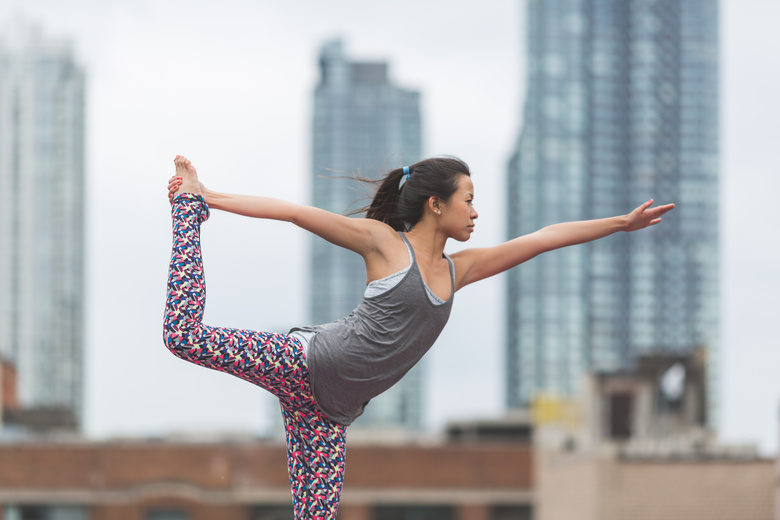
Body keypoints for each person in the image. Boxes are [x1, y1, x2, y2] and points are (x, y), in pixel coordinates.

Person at [164, 155, 674, 519]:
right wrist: (209, 197)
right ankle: (188, 211)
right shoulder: (384, 244)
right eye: (469, 200)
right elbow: (296, 212)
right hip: (304, 361)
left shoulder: (460, 271)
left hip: (329, 414)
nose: (476, 213)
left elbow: (540, 240)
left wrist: (619, 224)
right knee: (182, 335)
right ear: (436, 204)